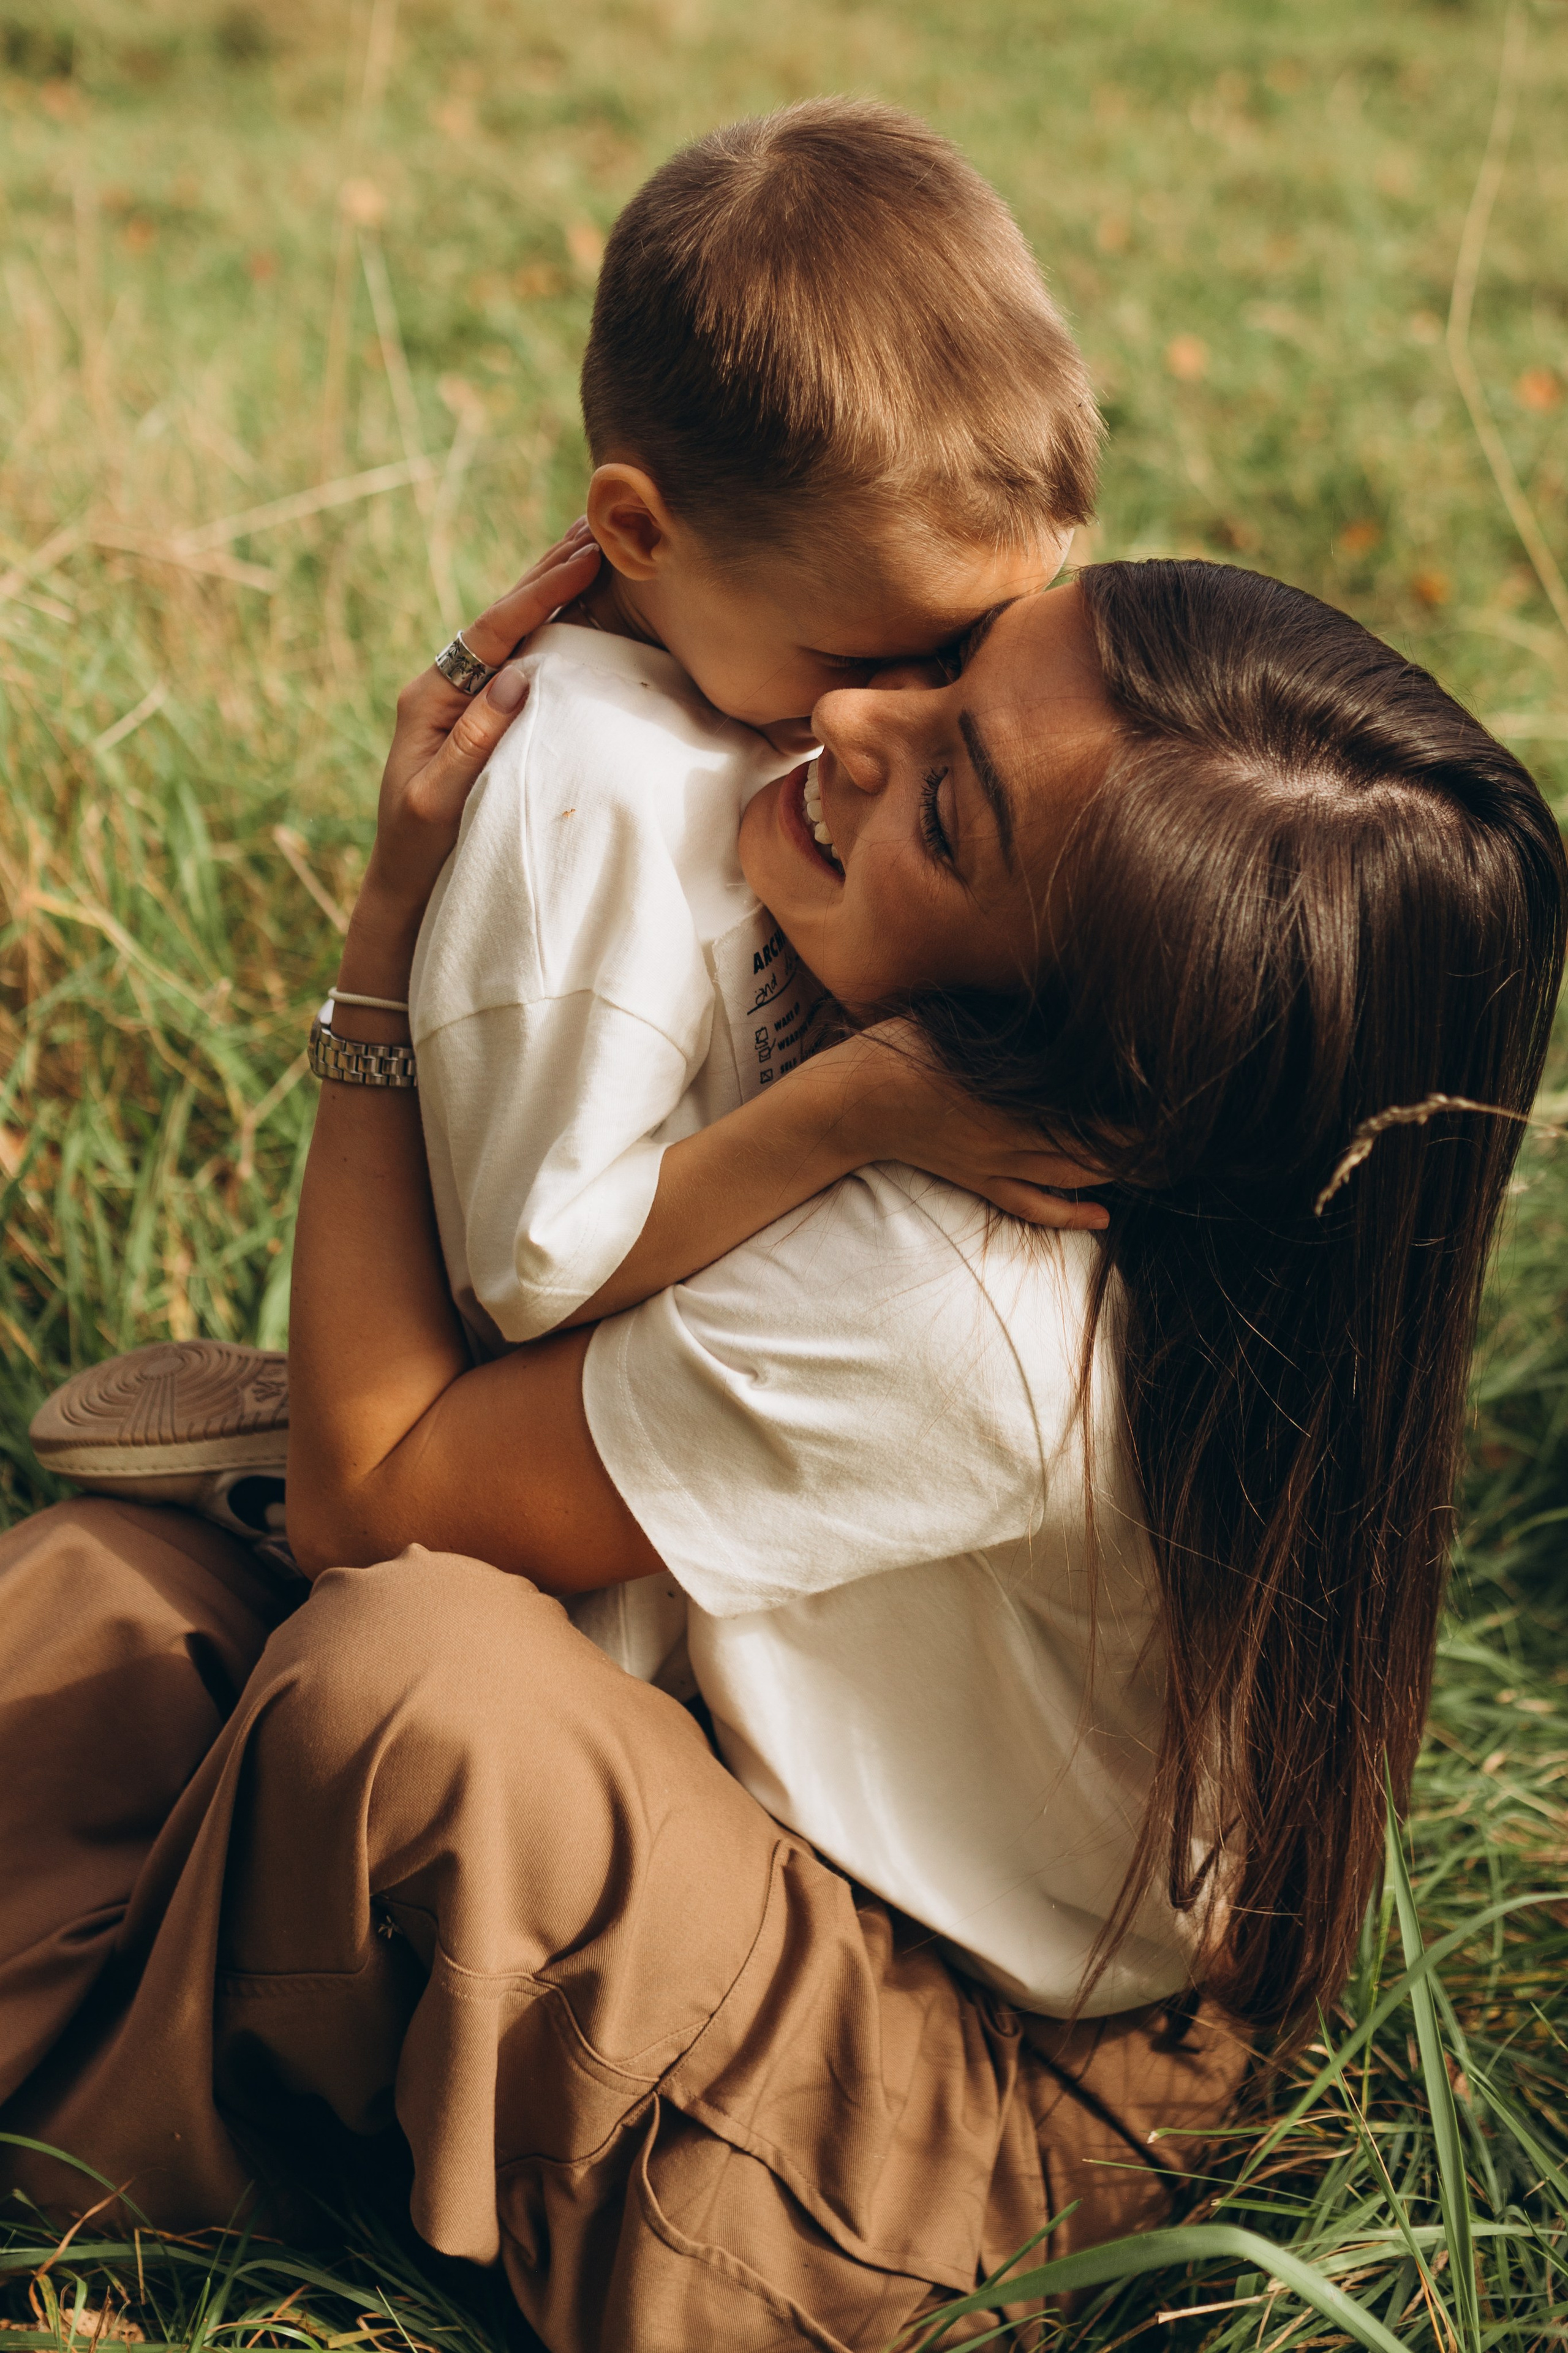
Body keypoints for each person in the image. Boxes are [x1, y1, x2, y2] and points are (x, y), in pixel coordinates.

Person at [2, 539, 1562, 2353]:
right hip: (746, 1774)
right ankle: (242, 1986)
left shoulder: (967, 1304)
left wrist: (385, 945)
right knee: (100, 1597)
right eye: (952, 662)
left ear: (1090, 1072)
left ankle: (91, 2165)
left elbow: (376, 1497)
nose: (850, 715)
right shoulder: (1050, 1127)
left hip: (957, 2098)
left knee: (406, 1681)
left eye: (950, 811)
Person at [405, 102, 1104, 1684]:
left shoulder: (749, 681)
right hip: (593, 1579)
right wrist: (861, 1112)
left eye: (973, 647)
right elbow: (537, 1270)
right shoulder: (593, 806)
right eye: (866, 656)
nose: (886, 714)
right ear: (637, 529)